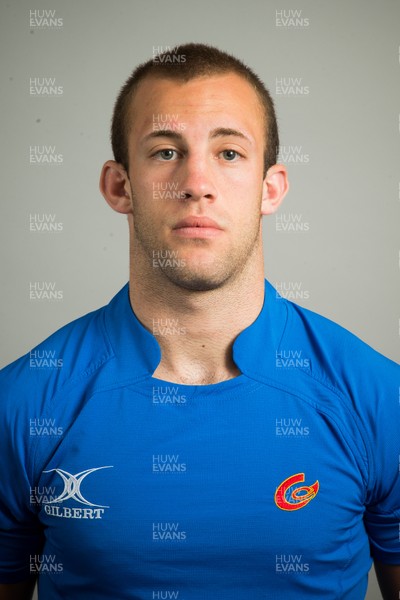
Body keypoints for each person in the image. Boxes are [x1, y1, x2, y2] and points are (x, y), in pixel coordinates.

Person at [0, 42, 399, 600]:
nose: (196, 182)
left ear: (271, 187)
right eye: (165, 152)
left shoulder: (379, 398)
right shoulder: (22, 406)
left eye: (229, 153)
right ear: (121, 186)